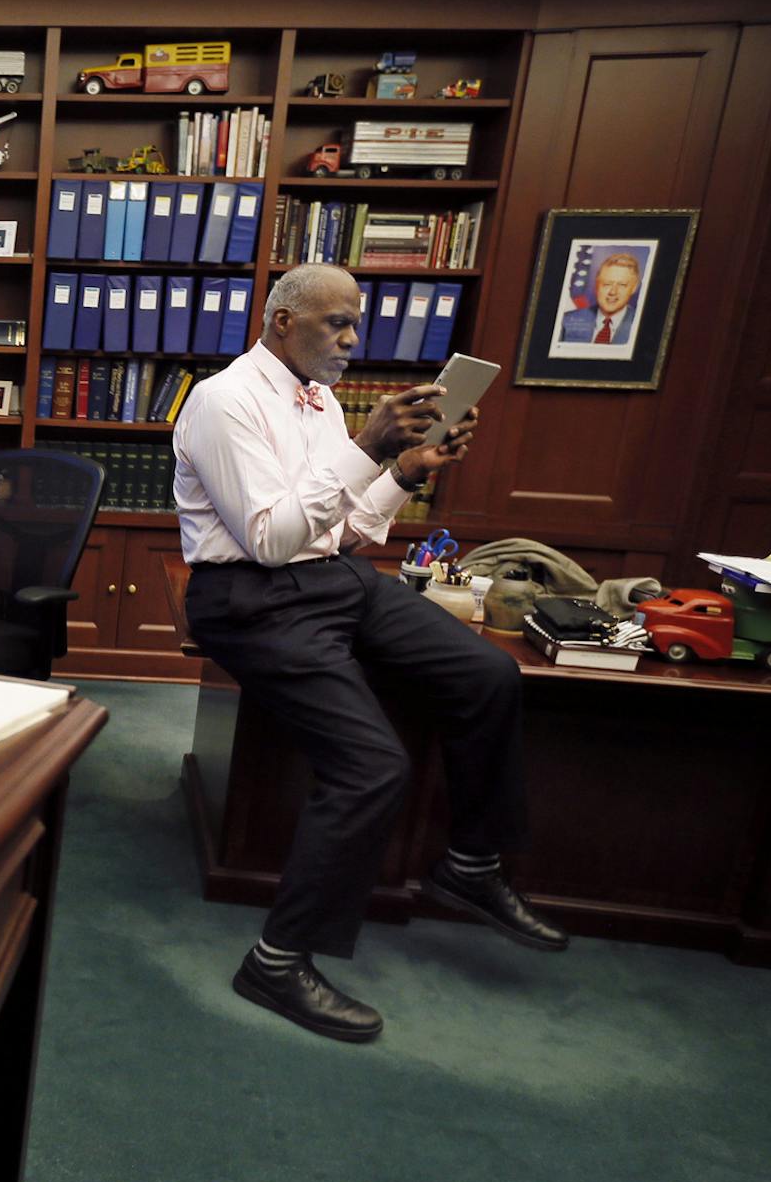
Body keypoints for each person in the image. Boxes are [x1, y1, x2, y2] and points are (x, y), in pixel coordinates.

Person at [172, 263, 566, 1044]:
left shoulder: (315, 401)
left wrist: (405, 472)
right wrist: (367, 446)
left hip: (336, 577)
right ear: (283, 321)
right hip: (252, 598)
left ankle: (472, 863)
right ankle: (277, 960)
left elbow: (345, 531)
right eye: (336, 324)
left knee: (489, 674)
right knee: (372, 766)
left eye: (356, 324)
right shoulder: (223, 403)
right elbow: (270, 540)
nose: (353, 340)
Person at [558, 251, 640, 347]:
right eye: (607, 284)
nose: (613, 292)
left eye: (622, 285)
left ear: (633, 288)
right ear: (597, 285)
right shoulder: (565, 321)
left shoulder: (639, 324)